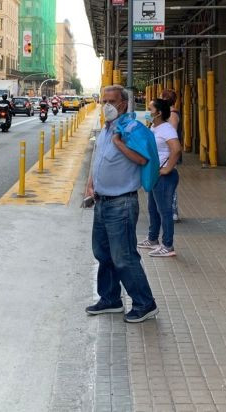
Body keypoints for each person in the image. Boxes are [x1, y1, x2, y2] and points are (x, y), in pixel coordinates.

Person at [84, 85, 159, 323]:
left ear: (123, 104)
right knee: (102, 252)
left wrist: (119, 144)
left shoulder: (130, 128)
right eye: (103, 100)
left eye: (112, 101)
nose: (106, 105)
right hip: (102, 201)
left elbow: (142, 158)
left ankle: (145, 303)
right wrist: (90, 184)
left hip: (122, 203)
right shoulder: (107, 129)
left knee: (123, 256)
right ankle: (110, 299)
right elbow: (97, 159)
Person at [139, 98, 182, 258]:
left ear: (158, 112)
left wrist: (167, 169)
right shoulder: (154, 127)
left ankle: (168, 245)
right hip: (154, 175)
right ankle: (152, 239)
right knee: (153, 209)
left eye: (150, 109)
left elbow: (176, 150)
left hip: (165, 177)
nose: (148, 112)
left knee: (165, 211)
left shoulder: (166, 129)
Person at [159, 88, 182, 222]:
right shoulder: (168, 113)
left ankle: (173, 211)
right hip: (166, 153)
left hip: (169, 153)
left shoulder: (172, 115)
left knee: (170, 183)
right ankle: (169, 210)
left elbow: (171, 134)